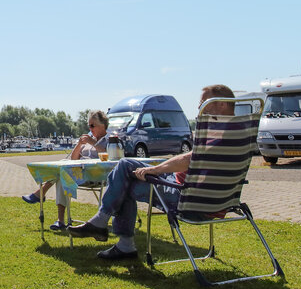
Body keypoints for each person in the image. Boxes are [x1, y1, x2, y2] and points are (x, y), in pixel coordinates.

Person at [66, 85, 235, 260]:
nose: (199, 107)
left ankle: (113, 233)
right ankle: (106, 228)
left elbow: (189, 159)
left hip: (185, 196)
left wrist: (154, 169)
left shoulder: (220, 133)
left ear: (222, 104)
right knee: (125, 166)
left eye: (203, 102)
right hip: (211, 197)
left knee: (124, 180)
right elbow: (194, 158)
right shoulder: (239, 132)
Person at [22, 111, 110, 231]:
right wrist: (79, 144)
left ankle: (41, 193)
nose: (90, 129)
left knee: (63, 167)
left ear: (103, 125)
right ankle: (60, 221)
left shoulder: (109, 140)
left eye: (92, 125)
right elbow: (73, 159)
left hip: (96, 175)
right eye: (89, 126)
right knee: (62, 173)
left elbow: (108, 155)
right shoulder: (89, 140)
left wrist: (93, 143)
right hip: (79, 173)